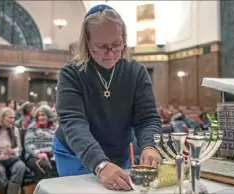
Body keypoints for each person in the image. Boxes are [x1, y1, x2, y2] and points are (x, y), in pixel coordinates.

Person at [53, 4, 162, 191]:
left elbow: (147, 119)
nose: (110, 53)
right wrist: (100, 164)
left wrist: (149, 146)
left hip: (118, 151)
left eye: (116, 45)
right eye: (101, 47)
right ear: (87, 43)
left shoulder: (136, 72)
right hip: (75, 152)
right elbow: (73, 123)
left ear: (124, 40)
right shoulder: (71, 73)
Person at [24, 105, 57, 182]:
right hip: (34, 156)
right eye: (39, 115)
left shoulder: (55, 127)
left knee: (59, 163)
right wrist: (38, 154)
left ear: (49, 116)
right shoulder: (33, 127)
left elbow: (58, 143)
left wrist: (53, 153)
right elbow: (28, 144)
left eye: (43, 115)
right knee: (44, 165)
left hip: (51, 155)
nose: (40, 118)